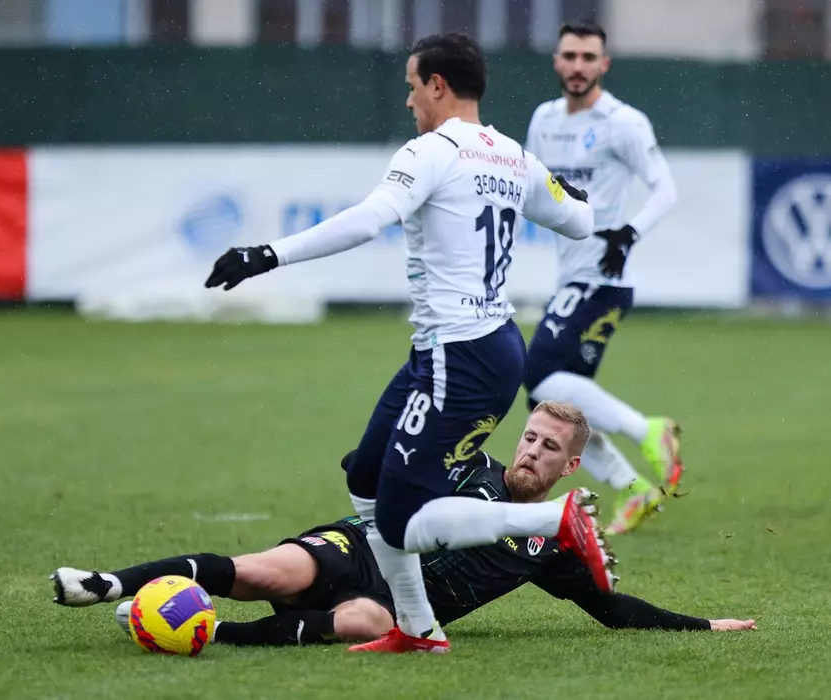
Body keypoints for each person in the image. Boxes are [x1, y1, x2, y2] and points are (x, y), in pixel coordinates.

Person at [202, 31, 609, 654]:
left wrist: (267, 254)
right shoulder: (513, 156)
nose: (409, 100)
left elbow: (369, 220)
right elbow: (580, 220)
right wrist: (570, 194)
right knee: (365, 477)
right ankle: (417, 630)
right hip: (477, 347)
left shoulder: (430, 151)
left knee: (399, 516)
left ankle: (551, 518)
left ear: (437, 85)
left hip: (461, 354)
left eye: (412, 86)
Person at [51, 402, 755, 646]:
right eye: (530, 437)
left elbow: (612, 609)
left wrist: (704, 625)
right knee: (268, 572)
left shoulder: (547, 543)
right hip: (357, 549)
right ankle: (109, 583)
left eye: (549, 448)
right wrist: (378, 462)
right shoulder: (466, 464)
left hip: (390, 603)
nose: (532, 451)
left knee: (366, 622)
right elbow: (371, 465)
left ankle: (207, 630)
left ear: (570, 467)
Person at [522, 21, 682, 536]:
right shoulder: (544, 119)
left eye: (588, 57)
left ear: (604, 64)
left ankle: (649, 430)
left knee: (537, 375)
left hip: (604, 279)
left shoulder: (623, 122)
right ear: (556, 60)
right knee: (552, 405)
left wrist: (628, 233)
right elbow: (532, 189)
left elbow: (665, 189)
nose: (578, 66)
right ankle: (633, 488)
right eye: (570, 56)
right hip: (570, 277)